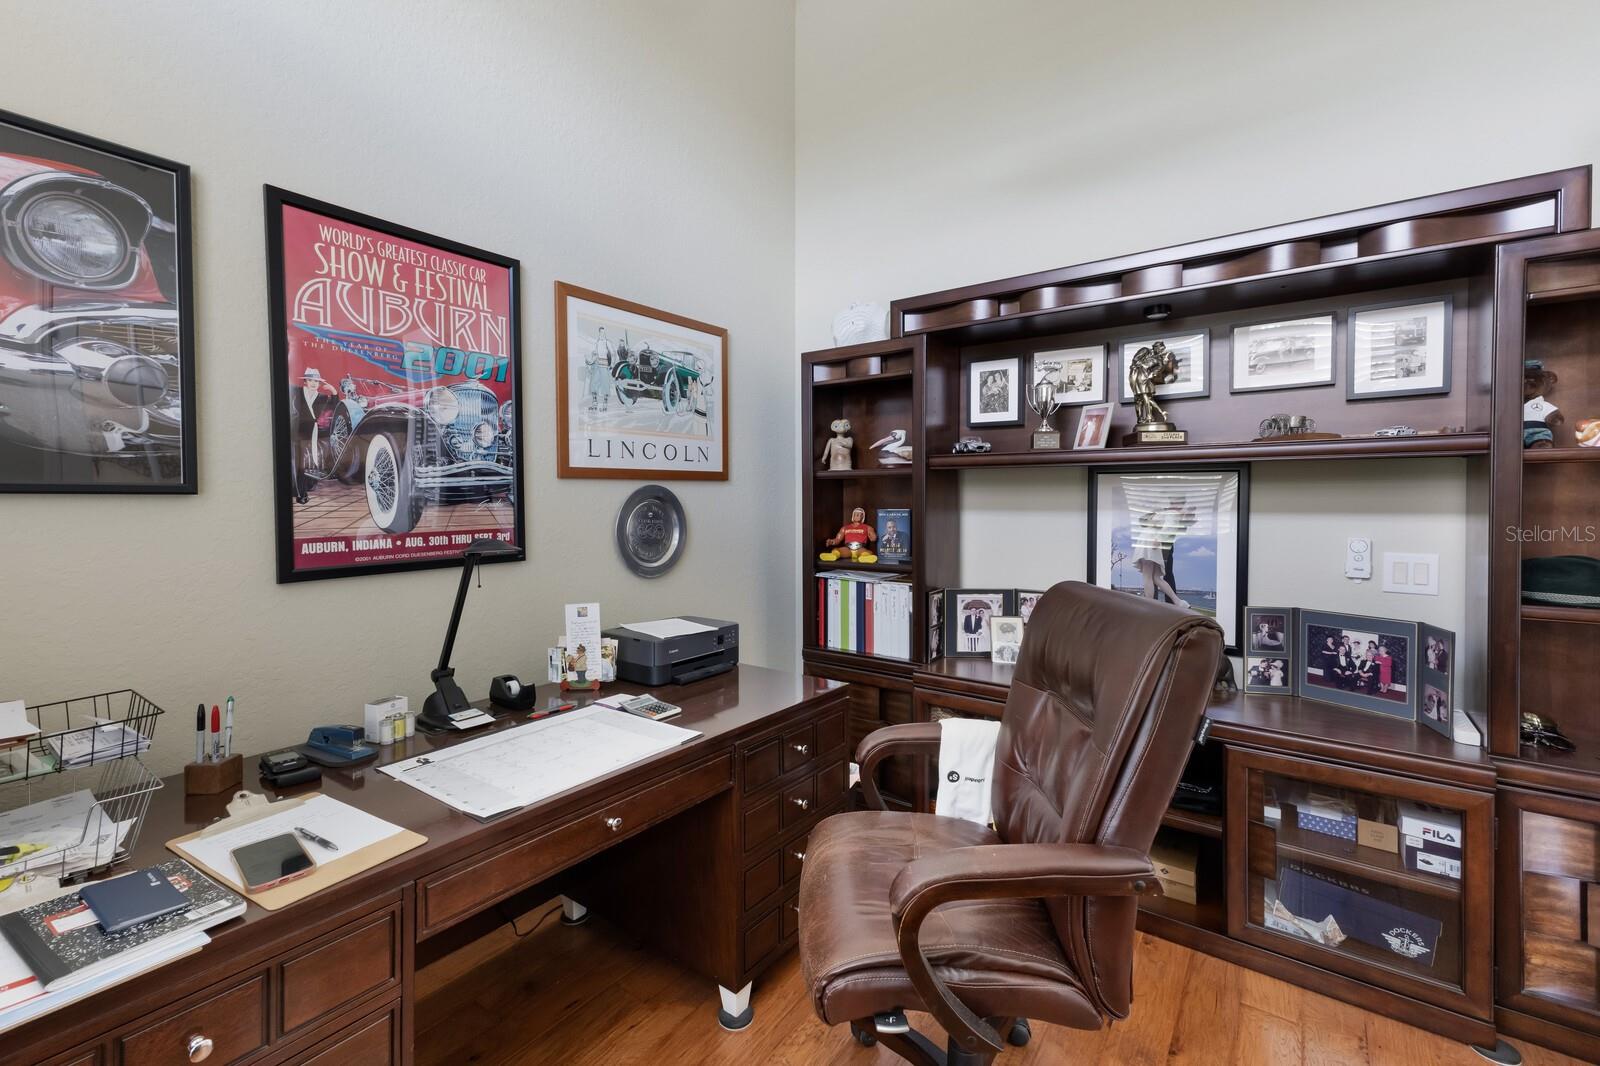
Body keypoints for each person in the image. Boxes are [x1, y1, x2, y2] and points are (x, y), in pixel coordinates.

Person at [1132, 505, 1188, 609]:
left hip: (1150, 540)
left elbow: (1168, 527)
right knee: (1155, 578)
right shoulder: (1162, 512)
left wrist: (1158, 538)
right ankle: (1179, 602)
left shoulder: (1169, 514)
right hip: (1152, 540)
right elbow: (1142, 521)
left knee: (1148, 576)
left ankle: (1149, 604)